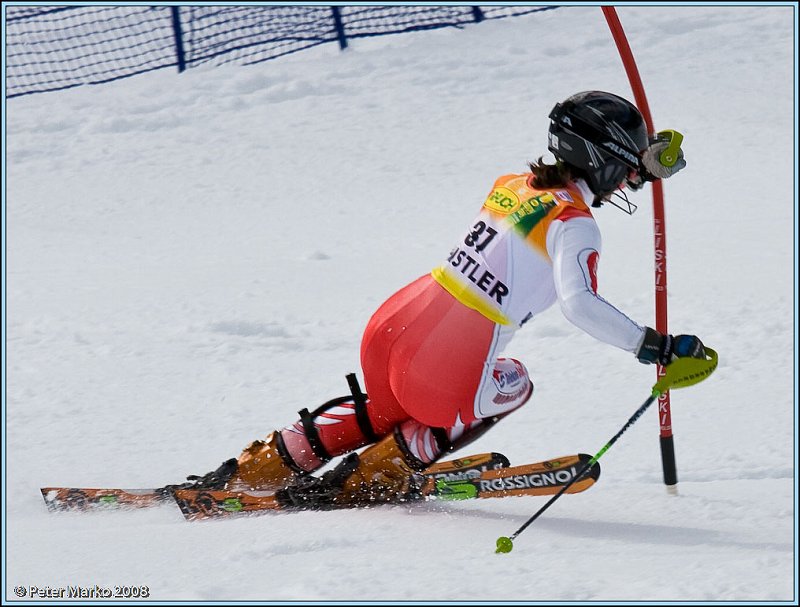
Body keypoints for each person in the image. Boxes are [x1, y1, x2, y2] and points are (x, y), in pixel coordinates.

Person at [174, 91, 706, 506]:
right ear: (603, 159)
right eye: (625, 168)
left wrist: (647, 160)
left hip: (394, 325)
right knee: (513, 382)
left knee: (381, 409)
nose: (628, 180)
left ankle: (256, 468)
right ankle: (372, 477)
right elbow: (580, 304)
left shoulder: (513, 183)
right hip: (447, 357)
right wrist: (654, 347)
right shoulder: (577, 224)